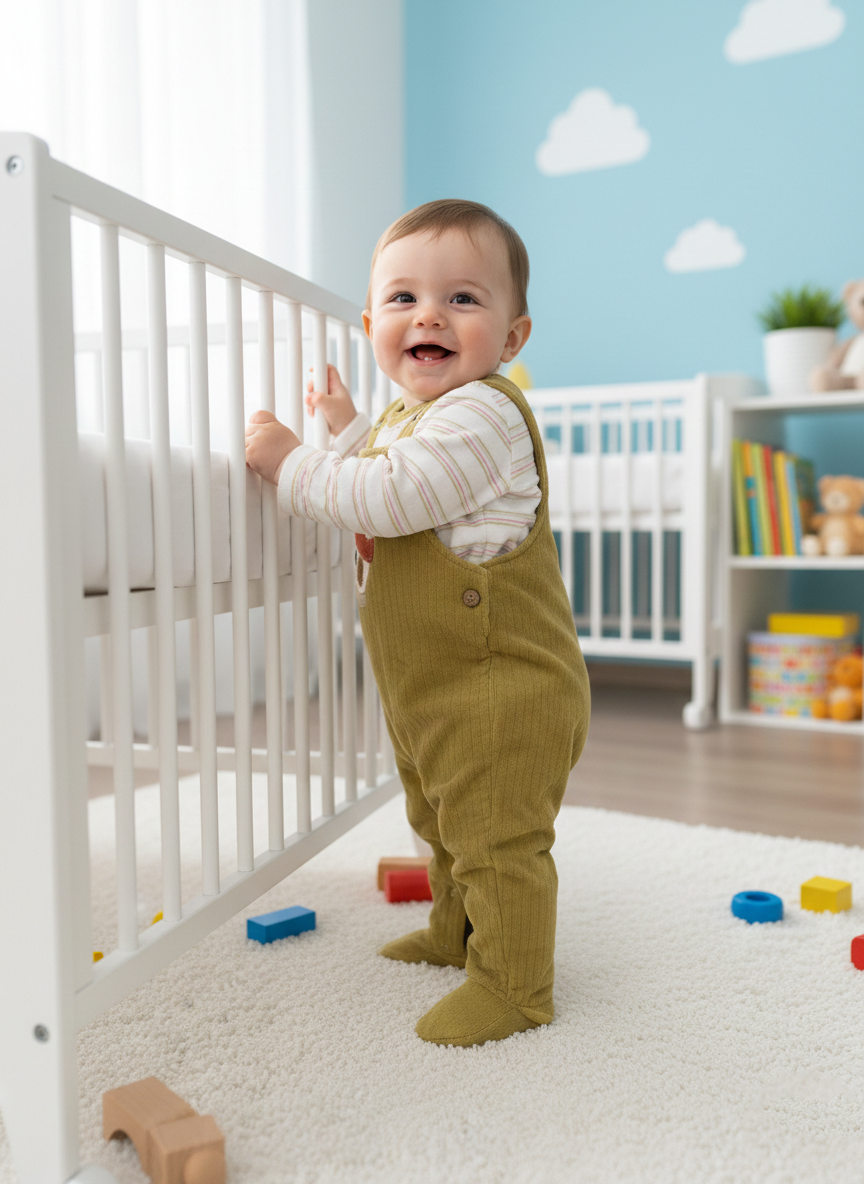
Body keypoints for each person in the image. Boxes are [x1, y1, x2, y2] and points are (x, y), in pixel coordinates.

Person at [245, 199, 590, 1047]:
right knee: (440, 818)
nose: (430, 314)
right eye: (403, 300)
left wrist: (295, 464)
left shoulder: (482, 414)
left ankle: (515, 985)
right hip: (437, 682)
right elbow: (396, 459)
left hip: (502, 685)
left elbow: (395, 495)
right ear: (372, 325)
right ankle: (457, 931)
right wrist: (348, 427)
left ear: (511, 338)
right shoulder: (422, 415)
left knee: (495, 836)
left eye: (464, 300)